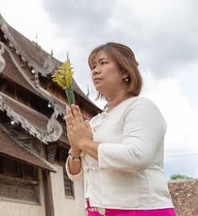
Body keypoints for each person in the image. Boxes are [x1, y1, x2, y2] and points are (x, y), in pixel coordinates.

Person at [65, 42, 175, 215]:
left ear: (124, 71)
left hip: (141, 210)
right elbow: (75, 175)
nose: (95, 70)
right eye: (93, 66)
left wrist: (84, 142)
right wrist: (75, 146)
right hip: (97, 209)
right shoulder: (95, 121)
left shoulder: (141, 107)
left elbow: (136, 157)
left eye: (103, 63)